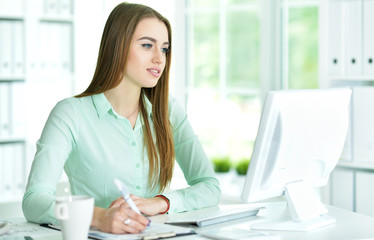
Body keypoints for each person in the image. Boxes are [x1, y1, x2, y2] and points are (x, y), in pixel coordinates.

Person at [22, 2, 221, 234]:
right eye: (148, 45)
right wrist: (99, 216)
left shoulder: (167, 109)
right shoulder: (70, 114)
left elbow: (210, 187)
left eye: (164, 48)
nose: (160, 58)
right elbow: (34, 201)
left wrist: (160, 202)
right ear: (117, 47)